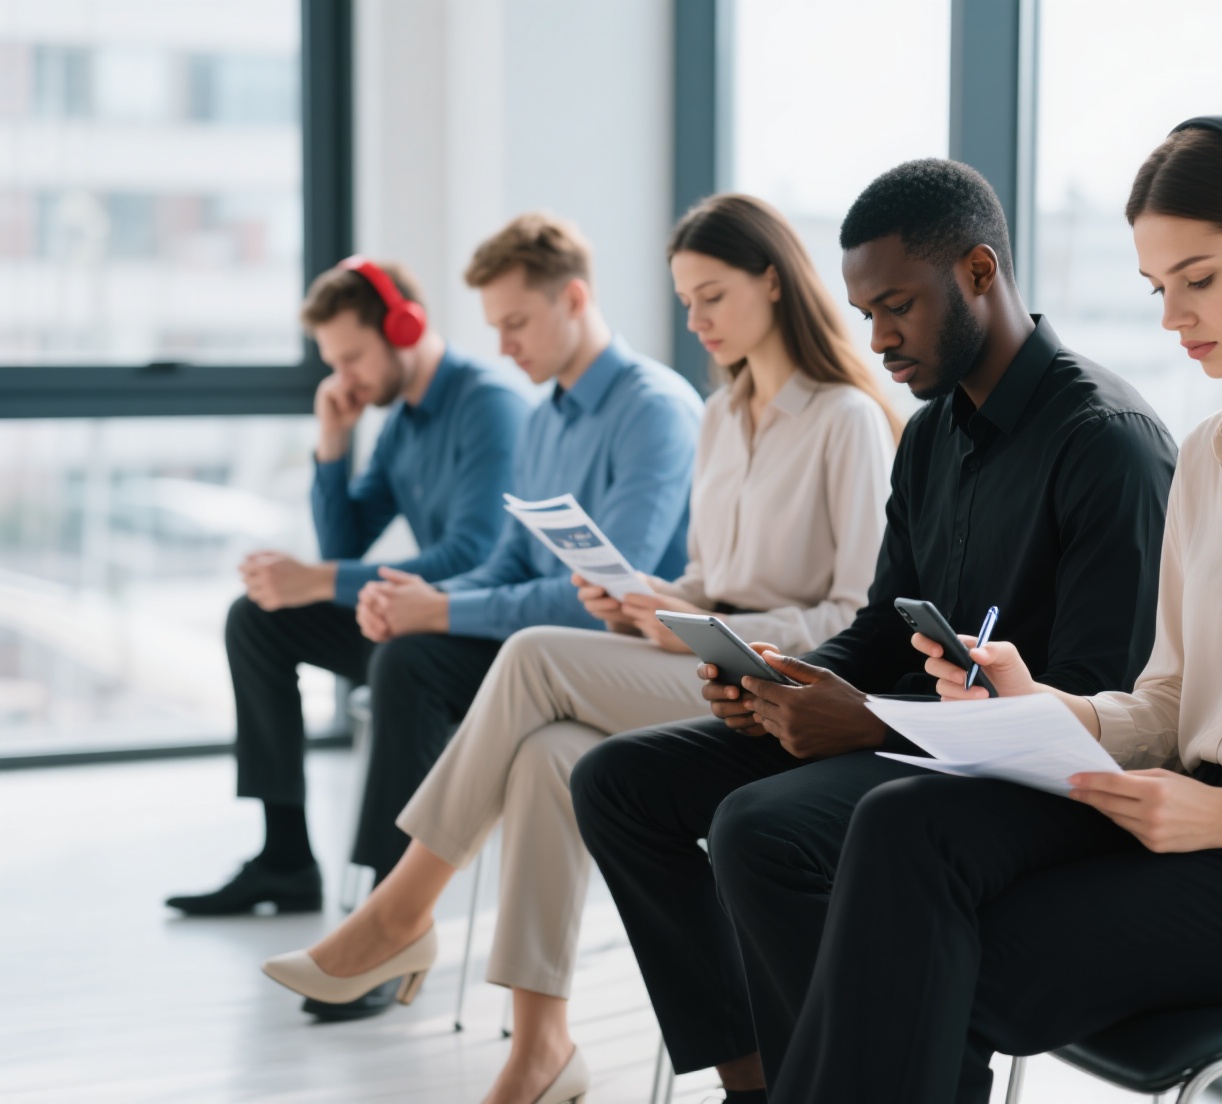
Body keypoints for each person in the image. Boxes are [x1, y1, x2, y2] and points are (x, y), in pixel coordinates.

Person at [771, 108, 1222, 1104]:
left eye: (1198, 279)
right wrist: (1042, 707)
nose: (1170, 317)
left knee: (944, 954)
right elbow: (1170, 705)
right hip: (1191, 812)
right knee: (902, 827)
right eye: (1157, 287)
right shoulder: (1215, 454)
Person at [261, 194, 903, 1104]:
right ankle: (541, 1048)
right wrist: (653, 601)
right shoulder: (725, 417)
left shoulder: (844, 419)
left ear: (772, 281)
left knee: (530, 655)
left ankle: (403, 910)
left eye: (712, 296)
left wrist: (710, 627)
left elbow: (853, 617)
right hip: (703, 655)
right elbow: (709, 578)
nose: (697, 321)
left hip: (781, 683)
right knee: (547, 756)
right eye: (685, 302)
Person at [570, 159, 1179, 1101]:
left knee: (761, 829)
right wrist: (786, 678)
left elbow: (1098, 708)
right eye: (865, 314)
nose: (881, 337)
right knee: (620, 783)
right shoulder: (930, 436)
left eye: (898, 306)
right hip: (920, 740)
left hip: (1042, 780)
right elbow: (882, 625)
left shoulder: (1107, 442)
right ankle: (763, 1080)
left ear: (979, 273)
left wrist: (873, 724)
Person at [166, 258, 529, 918]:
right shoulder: (401, 422)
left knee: (391, 653)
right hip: (423, 626)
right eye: (335, 362)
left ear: (404, 325)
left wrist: (316, 579)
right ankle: (285, 859)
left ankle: (384, 911)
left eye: (354, 357)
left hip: (482, 640)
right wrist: (332, 444)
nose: (346, 377)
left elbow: (471, 558)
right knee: (256, 619)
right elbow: (343, 547)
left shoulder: (489, 406)